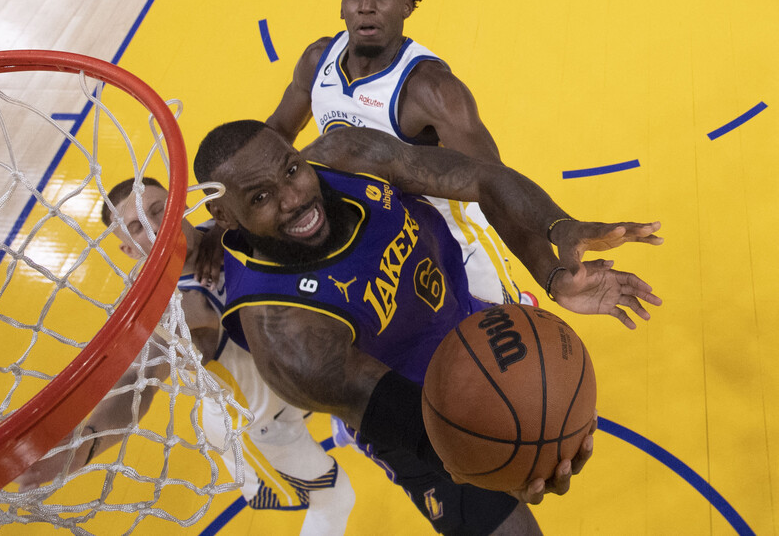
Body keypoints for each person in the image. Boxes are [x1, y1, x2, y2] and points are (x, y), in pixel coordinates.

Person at [193, 120, 662, 535]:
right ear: (225, 216)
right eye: (260, 197)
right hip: (419, 410)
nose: (294, 198)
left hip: (470, 328)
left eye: (292, 170)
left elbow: (482, 177)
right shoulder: (283, 331)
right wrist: (510, 461)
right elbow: (424, 428)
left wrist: (555, 240)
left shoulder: (347, 157)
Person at [14, 177, 355, 535]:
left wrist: (218, 232)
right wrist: (85, 446)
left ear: (180, 204)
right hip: (257, 425)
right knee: (335, 497)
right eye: (136, 227)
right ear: (129, 250)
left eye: (158, 209)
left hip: (291, 381)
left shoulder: (224, 226)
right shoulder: (166, 311)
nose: (155, 226)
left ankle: (340, 417)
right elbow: (137, 384)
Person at [264, 0, 530, 307]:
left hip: (450, 240)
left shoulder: (431, 89)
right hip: (372, 235)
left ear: (408, 5)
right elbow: (277, 131)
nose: (366, 7)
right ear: (342, 6)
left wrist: (551, 266)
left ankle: (519, 304)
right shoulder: (317, 61)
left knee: (504, 343)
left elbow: (497, 182)